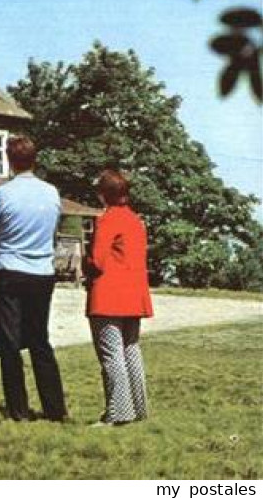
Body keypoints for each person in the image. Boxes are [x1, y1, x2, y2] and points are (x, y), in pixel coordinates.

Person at [0, 135, 67, 421]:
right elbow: (53, 234)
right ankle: (55, 408)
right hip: (41, 272)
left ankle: (18, 409)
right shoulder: (51, 193)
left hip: (8, 270)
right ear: (34, 160)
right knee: (40, 340)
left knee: (9, 343)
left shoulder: (2, 195)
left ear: (9, 160)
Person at [84, 168, 153, 427]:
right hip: (134, 295)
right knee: (131, 350)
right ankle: (138, 409)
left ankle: (118, 413)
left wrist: (84, 263)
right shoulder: (136, 220)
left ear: (104, 194)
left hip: (109, 296)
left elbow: (98, 261)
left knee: (111, 355)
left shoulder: (107, 219)